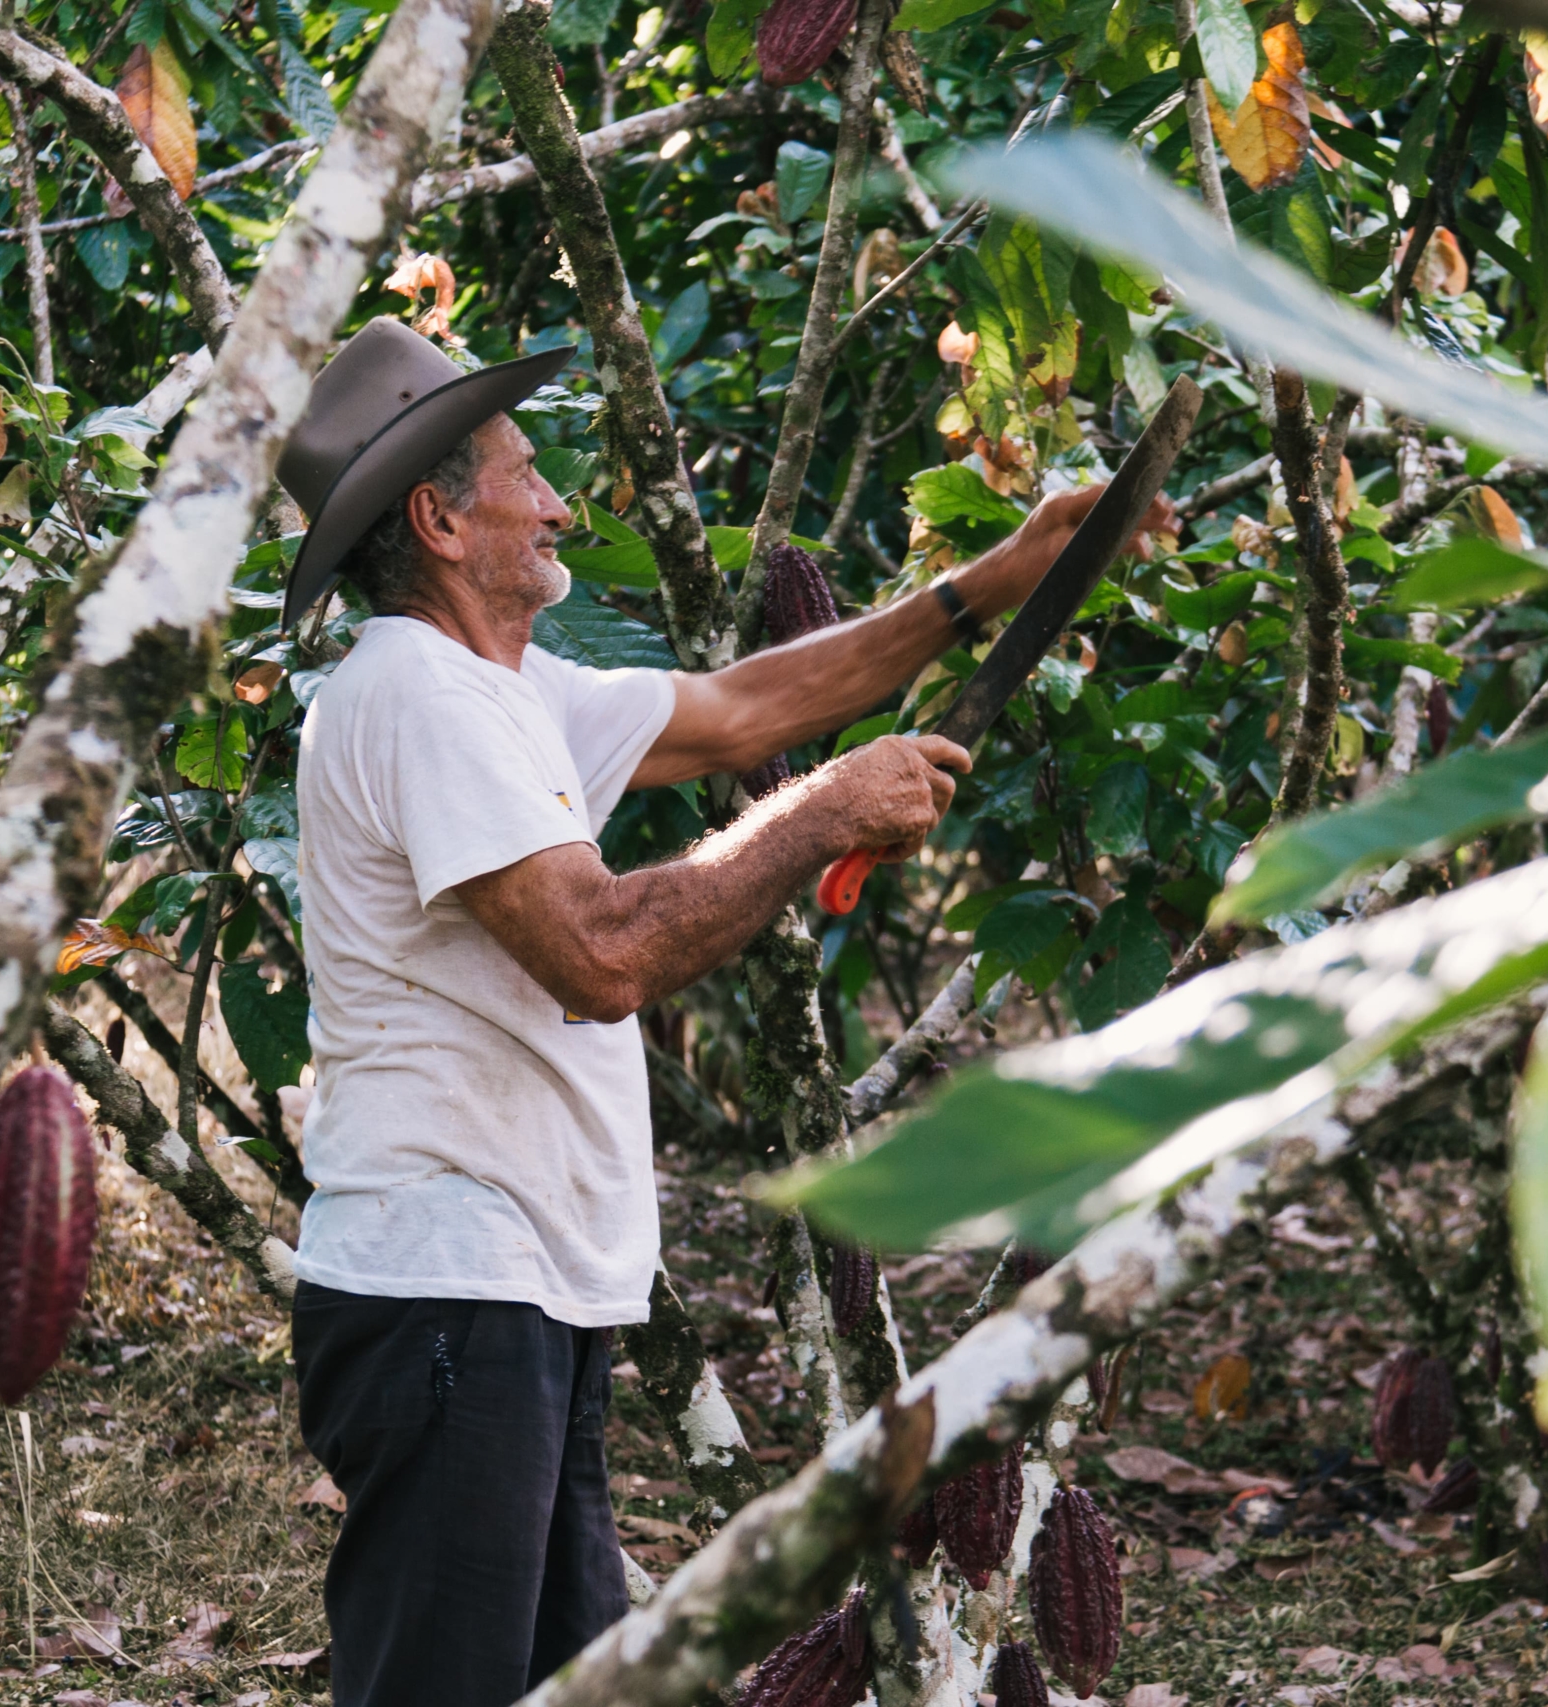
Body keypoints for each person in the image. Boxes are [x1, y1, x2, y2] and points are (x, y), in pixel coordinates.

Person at [277, 318, 1170, 1707]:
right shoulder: (415, 695)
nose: (558, 502)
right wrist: (822, 814)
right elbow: (602, 953)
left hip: (515, 1287)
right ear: (439, 522)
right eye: (524, 473)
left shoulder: (505, 688)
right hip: (448, 1288)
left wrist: (997, 581)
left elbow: (748, 707)